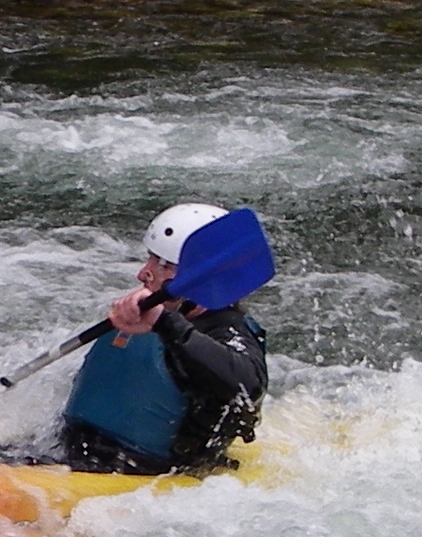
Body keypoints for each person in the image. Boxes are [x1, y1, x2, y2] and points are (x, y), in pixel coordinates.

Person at [58, 202, 268, 474]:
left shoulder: (226, 332)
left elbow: (249, 386)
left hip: (142, 475)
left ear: (204, 278)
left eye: (163, 265)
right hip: (72, 452)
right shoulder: (156, 313)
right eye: (150, 258)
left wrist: (164, 322)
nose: (143, 273)